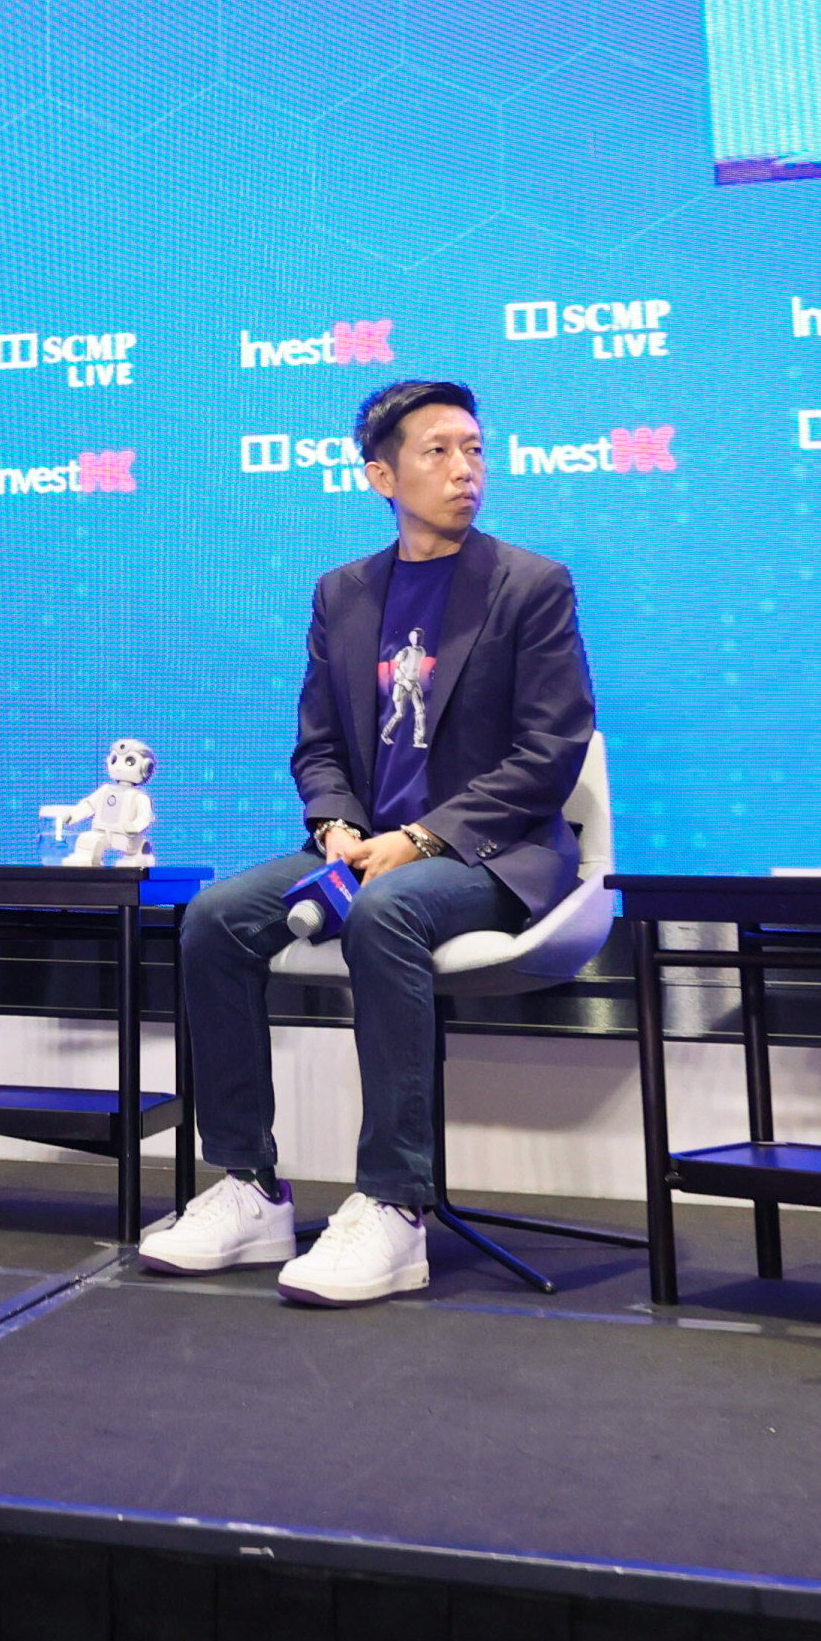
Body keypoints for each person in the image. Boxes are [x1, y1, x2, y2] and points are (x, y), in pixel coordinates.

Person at [138, 380, 598, 1306]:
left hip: (490, 857)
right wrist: (338, 825)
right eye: (437, 451)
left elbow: (549, 753)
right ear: (380, 474)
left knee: (385, 912)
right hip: (361, 853)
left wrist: (423, 838)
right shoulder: (343, 593)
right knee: (216, 919)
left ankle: (393, 1204)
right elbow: (316, 743)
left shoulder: (530, 585)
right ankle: (248, 1185)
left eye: (473, 447)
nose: (464, 469)